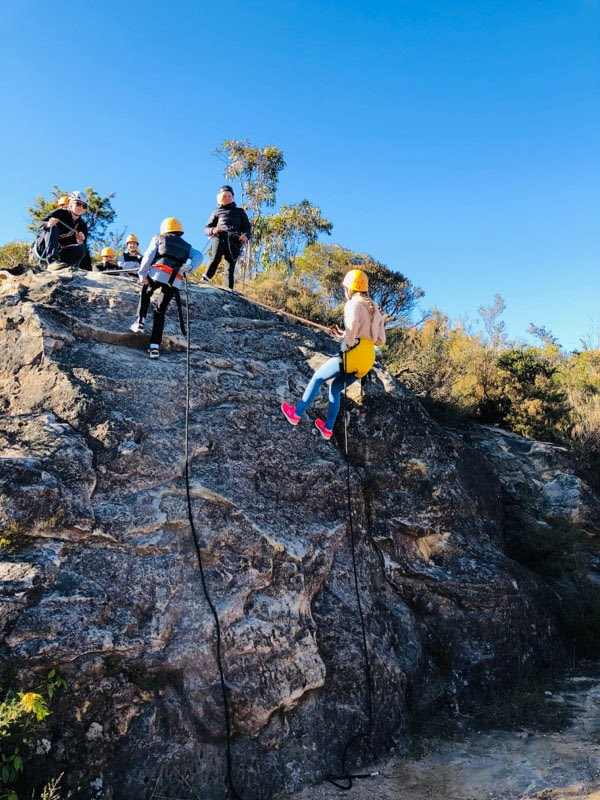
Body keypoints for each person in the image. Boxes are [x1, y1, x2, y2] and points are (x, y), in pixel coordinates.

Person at [281, 269, 386, 440]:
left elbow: (352, 329)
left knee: (317, 378)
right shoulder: (375, 307)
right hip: (367, 359)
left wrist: (347, 341)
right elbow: (380, 339)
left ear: (349, 288)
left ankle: (296, 414)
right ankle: (327, 429)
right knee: (335, 388)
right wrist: (345, 334)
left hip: (353, 353)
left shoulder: (353, 303)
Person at [129, 217, 204, 359]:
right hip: (174, 280)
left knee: (145, 291)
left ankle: (140, 322)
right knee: (160, 311)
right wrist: (190, 269)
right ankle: (154, 347)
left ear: (164, 229)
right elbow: (199, 255)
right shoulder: (187, 246)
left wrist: (142, 274)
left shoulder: (158, 238)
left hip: (157, 273)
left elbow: (149, 255)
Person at [203, 185, 251, 290]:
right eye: (225, 196)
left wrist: (246, 236)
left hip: (234, 240)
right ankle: (205, 279)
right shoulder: (216, 212)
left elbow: (247, 228)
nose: (228, 198)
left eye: (230, 196)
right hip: (219, 237)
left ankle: (228, 289)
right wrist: (212, 230)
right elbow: (206, 228)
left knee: (230, 265)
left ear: (233, 197)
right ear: (220, 197)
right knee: (215, 258)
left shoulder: (240, 212)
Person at [35, 190, 90, 271]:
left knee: (81, 249)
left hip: (60, 253)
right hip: (43, 248)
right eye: (78, 204)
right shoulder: (60, 213)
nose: (81, 207)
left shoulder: (82, 226)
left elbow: (84, 251)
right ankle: (53, 262)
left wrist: (80, 242)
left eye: (84, 206)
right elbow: (39, 223)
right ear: (70, 203)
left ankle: (65, 268)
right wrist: (48, 224)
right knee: (53, 227)